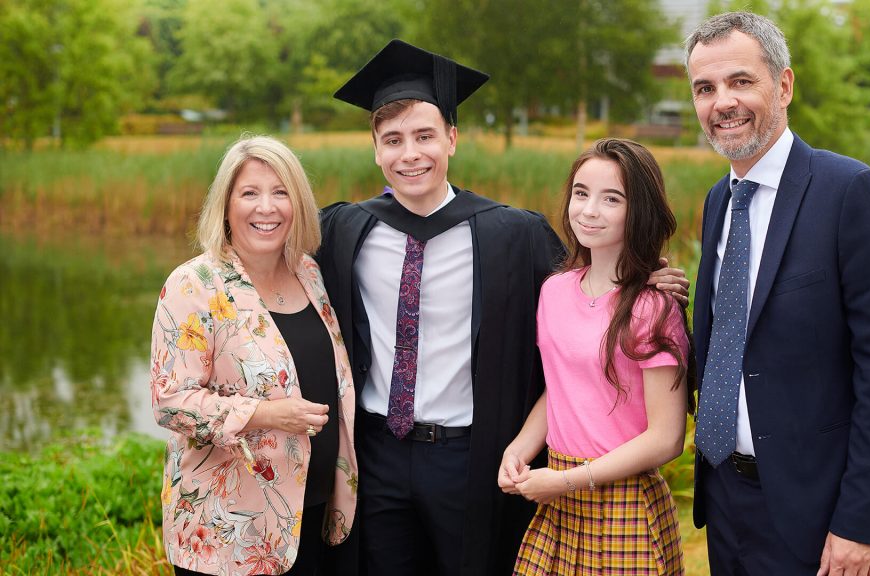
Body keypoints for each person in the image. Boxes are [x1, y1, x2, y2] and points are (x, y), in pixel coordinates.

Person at [318, 40, 689, 576]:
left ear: (452, 138)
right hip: (377, 456)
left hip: (469, 457)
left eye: (425, 136)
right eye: (392, 140)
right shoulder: (346, 230)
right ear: (375, 149)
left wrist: (645, 277)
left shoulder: (513, 235)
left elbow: (594, 287)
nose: (410, 153)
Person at [683, 12, 870, 576]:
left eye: (740, 81)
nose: (721, 101)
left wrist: (860, 521)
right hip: (726, 497)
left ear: (784, 84)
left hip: (817, 505)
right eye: (705, 88)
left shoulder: (850, 192)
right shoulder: (718, 202)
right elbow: (736, 333)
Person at [150, 135, 357, 576]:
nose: (267, 207)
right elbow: (170, 402)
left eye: (281, 192)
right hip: (229, 532)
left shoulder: (310, 273)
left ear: (298, 204)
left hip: (311, 517)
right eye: (250, 193)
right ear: (225, 206)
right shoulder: (194, 285)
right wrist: (265, 414)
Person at [499, 138, 694, 575]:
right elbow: (563, 389)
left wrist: (566, 480)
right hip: (560, 500)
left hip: (622, 500)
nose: (589, 210)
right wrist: (520, 449)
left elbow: (667, 438)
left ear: (639, 210)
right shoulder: (554, 290)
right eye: (581, 192)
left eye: (612, 199)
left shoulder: (652, 306)